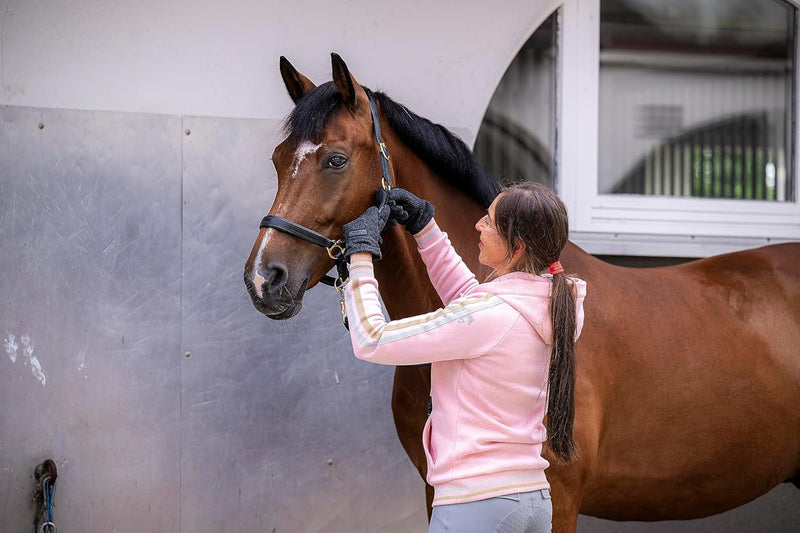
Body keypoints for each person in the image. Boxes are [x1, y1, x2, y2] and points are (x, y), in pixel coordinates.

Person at [341, 182, 587, 533]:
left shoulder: (489, 316)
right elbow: (471, 305)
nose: (478, 226)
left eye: (488, 221)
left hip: (475, 503)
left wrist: (360, 258)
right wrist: (425, 229)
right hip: (532, 499)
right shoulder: (555, 307)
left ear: (516, 247)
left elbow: (372, 339)